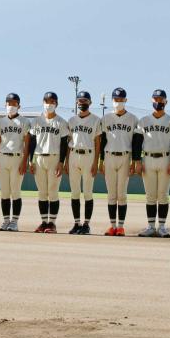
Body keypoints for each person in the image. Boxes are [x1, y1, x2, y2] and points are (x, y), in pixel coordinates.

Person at [136, 89, 170, 237]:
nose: (158, 102)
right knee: (150, 195)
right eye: (155, 99)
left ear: (166, 102)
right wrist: (137, 161)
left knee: (163, 195)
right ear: (151, 101)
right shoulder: (144, 121)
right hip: (147, 159)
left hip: (165, 158)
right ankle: (150, 226)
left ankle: (161, 226)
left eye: (161, 100)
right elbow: (137, 142)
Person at [28, 91, 69, 233]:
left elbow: (64, 144)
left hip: (54, 158)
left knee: (53, 192)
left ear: (56, 104)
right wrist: (30, 161)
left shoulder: (61, 122)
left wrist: (61, 162)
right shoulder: (36, 122)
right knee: (42, 192)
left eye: (52, 102)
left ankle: (52, 223)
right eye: (46, 101)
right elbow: (32, 143)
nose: (49, 104)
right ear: (42, 102)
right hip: (39, 158)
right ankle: (44, 222)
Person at [99, 87, 137, 236]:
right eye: (116, 99)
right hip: (109, 156)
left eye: (121, 99)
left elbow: (136, 142)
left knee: (122, 193)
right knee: (111, 194)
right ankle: (112, 226)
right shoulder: (106, 118)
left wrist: (135, 161)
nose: (118, 102)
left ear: (126, 100)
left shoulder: (133, 118)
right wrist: (100, 161)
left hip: (125, 156)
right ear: (112, 100)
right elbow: (101, 142)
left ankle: (120, 226)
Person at [0, 93, 30, 231]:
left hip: (17, 157)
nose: (11, 106)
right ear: (5, 104)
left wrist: (25, 161)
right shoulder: (0, 122)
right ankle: (6, 220)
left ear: (19, 106)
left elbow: (27, 143)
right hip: (2, 157)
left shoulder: (25, 122)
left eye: (14, 103)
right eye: (9, 103)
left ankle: (14, 222)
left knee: (15, 191)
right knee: (4, 192)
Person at [66, 91, 101, 234]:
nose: (82, 103)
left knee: (87, 192)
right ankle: (76, 223)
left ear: (90, 103)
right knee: (74, 192)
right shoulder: (72, 120)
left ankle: (86, 224)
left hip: (89, 156)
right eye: (80, 101)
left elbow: (98, 143)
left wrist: (96, 163)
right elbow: (68, 142)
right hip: (74, 155)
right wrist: (66, 162)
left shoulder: (96, 120)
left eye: (85, 101)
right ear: (76, 103)